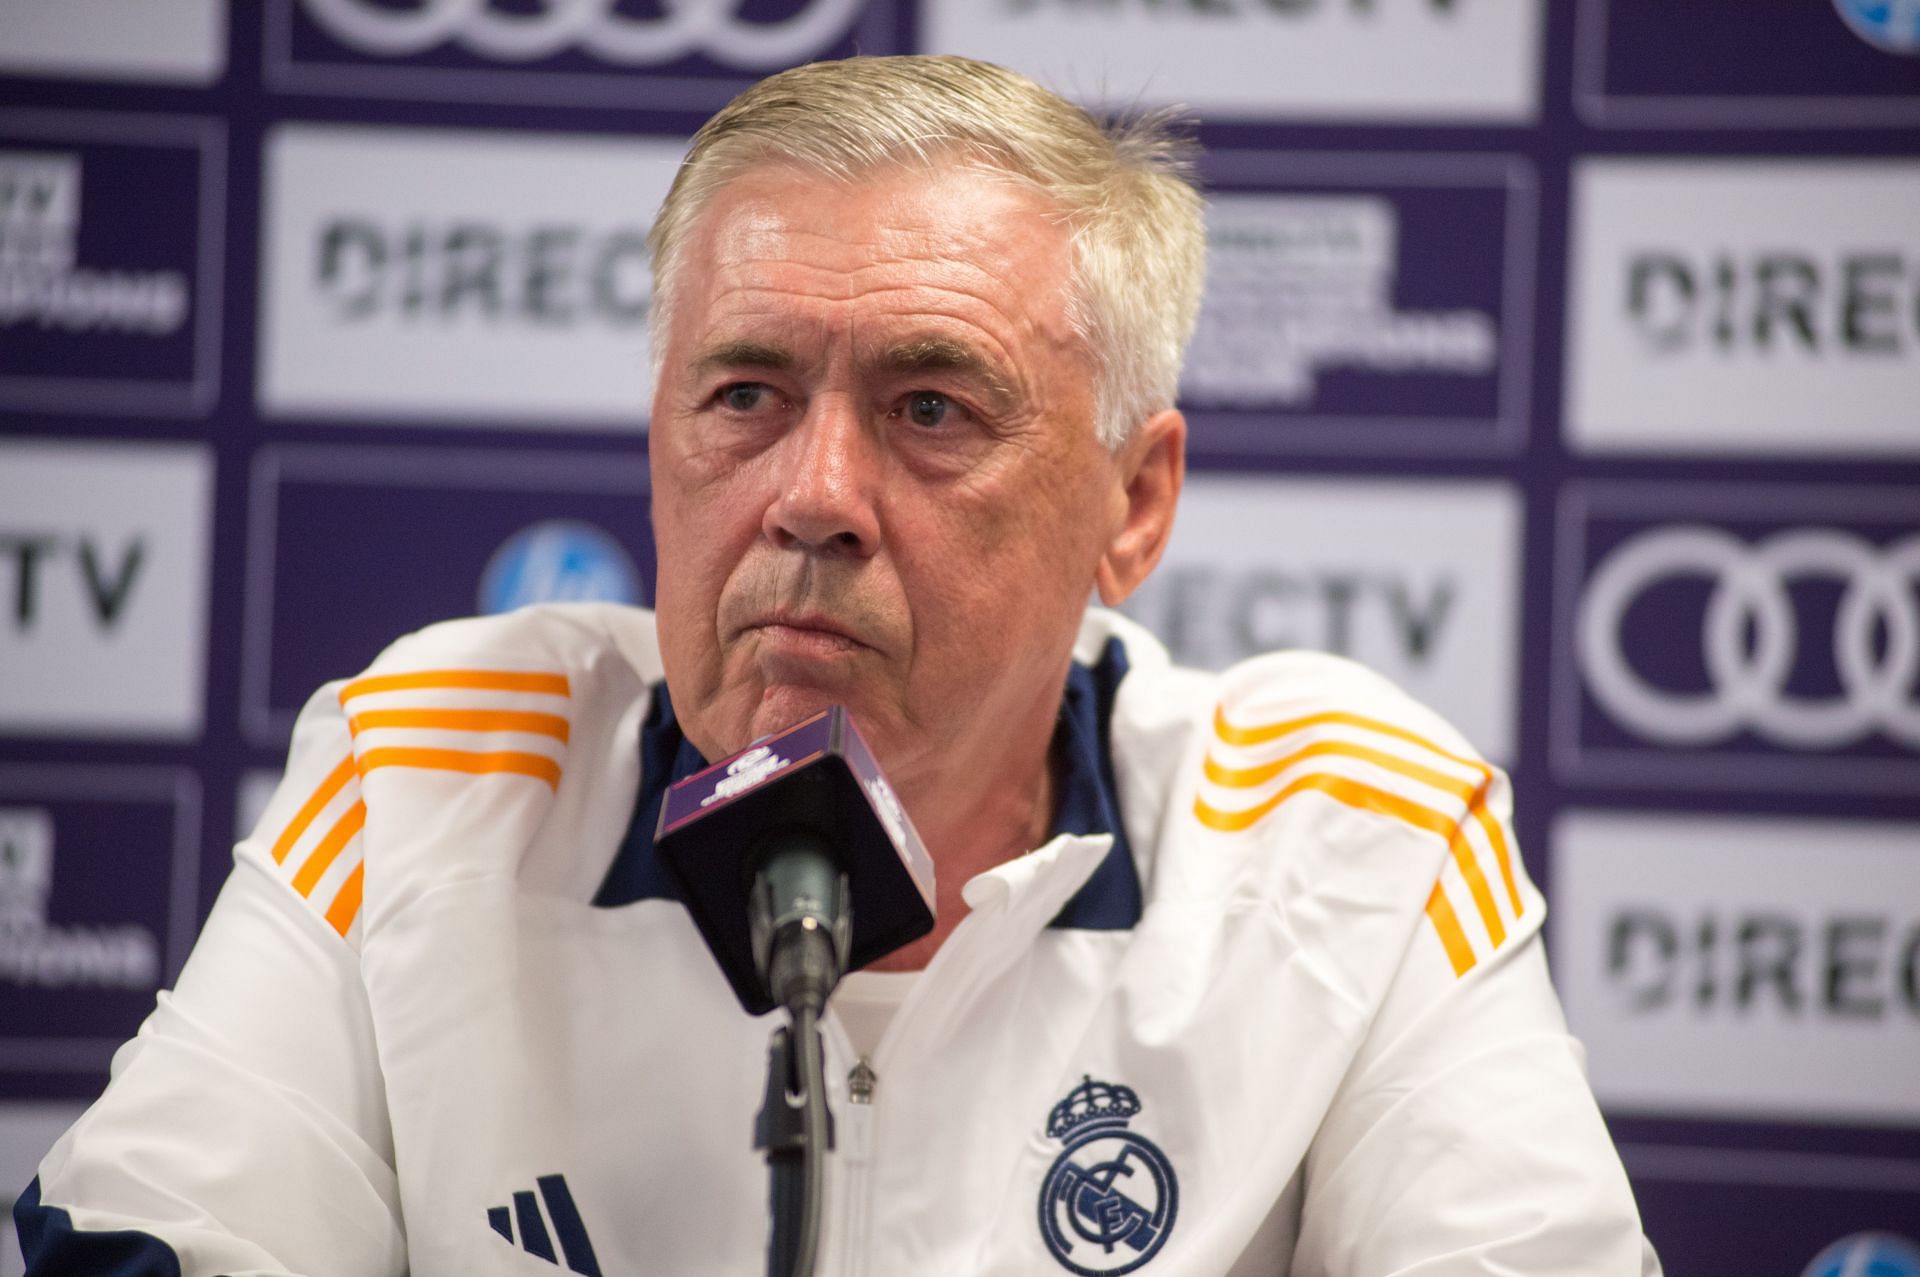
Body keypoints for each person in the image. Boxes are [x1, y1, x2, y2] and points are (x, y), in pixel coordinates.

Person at [18, 55, 1659, 1276]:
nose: (809, 495)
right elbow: (148, 1239)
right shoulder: (429, 769)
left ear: (1132, 501)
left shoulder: (1352, 836)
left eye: (931, 407)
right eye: (743, 394)